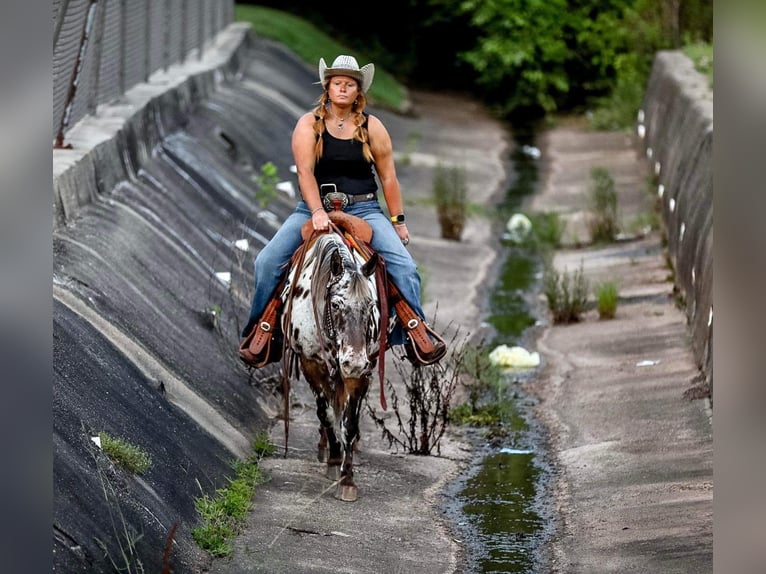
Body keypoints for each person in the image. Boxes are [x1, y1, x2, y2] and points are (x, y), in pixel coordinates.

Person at [241, 54, 445, 366]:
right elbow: (305, 173)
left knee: (405, 268)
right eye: (338, 83)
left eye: (350, 84)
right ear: (328, 85)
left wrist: (398, 221)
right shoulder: (308, 124)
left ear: (358, 91)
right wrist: (316, 212)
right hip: (313, 208)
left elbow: (388, 176)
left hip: (365, 209)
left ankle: (415, 336)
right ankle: (265, 333)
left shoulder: (372, 127)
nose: (343, 88)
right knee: (266, 262)